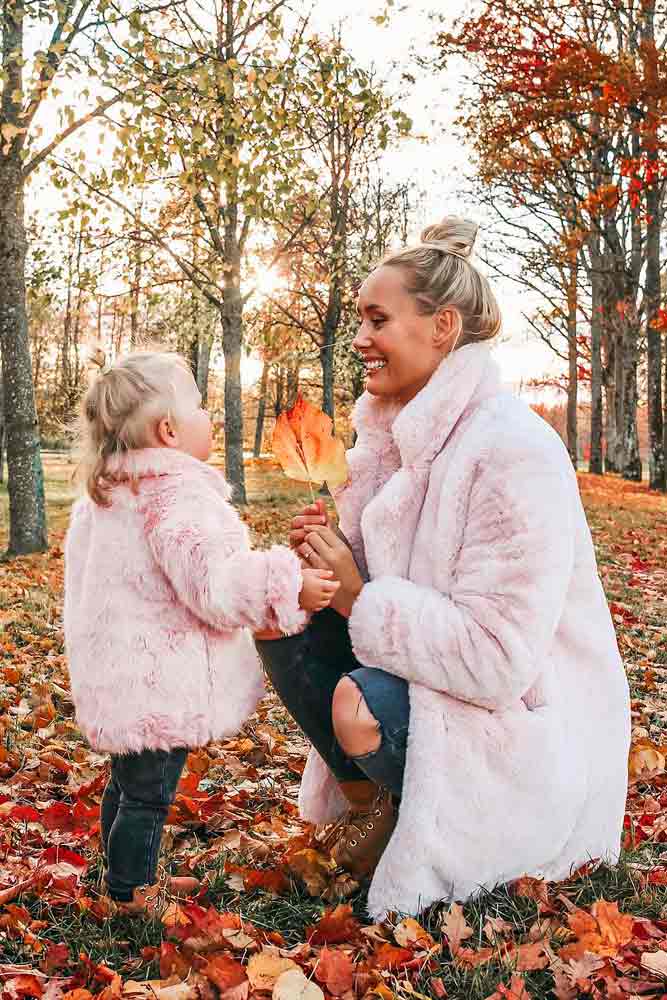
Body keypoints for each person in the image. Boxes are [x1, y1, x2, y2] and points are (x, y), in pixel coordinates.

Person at [255, 216, 631, 921]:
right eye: (358, 320)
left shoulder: (510, 447)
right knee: (282, 615)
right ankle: (379, 807)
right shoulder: (392, 437)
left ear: (442, 326)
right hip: (431, 672)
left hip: (523, 720)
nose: (359, 339)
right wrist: (329, 558)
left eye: (377, 319)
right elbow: (382, 584)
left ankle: (445, 822)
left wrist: (360, 594)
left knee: (356, 705)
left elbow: (496, 662)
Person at [64, 348, 339, 914]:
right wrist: (287, 585)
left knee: (128, 782)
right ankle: (128, 892)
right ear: (168, 430)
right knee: (147, 794)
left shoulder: (113, 492)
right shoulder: (175, 496)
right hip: (162, 678)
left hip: (123, 672)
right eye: (199, 405)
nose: (208, 415)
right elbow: (215, 585)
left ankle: (118, 874)